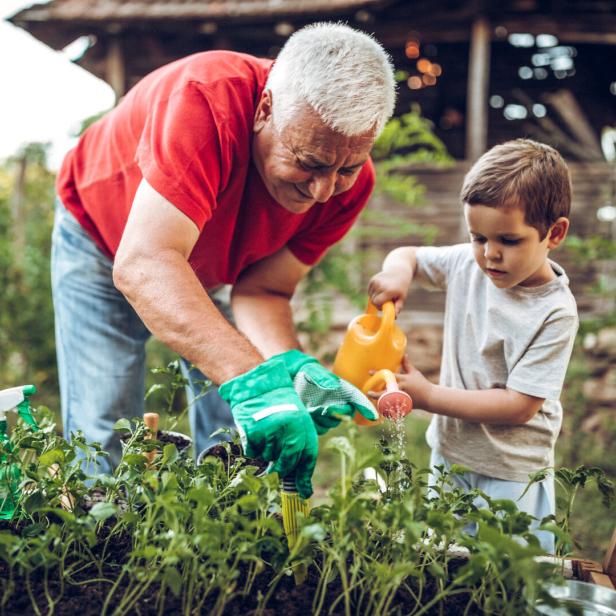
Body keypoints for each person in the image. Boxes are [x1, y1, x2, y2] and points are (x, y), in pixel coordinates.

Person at [51, 22, 396, 499]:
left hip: (196, 260)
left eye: (347, 168)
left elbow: (263, 289)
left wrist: (290, 369)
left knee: (236, 430)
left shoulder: (345, 186)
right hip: (101, 237)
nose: (323, 190)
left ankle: (219, 539)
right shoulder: (203, 101)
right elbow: (145, 263)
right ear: (264, 109)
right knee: (105, 419)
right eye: (310, 162)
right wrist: (255, 379)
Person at [368, 139, 578, 552]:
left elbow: (520, 405)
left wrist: (427, 395)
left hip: (512, 474)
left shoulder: (555, 312)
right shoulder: (468, 262)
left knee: (506, 580)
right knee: (445, 572)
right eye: (478, 236)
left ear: (554, 233)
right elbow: (406, 254)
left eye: (509, 240)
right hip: (449, 454)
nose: (490, 255)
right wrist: (396, 274)